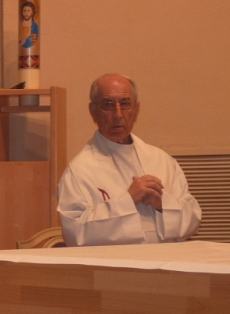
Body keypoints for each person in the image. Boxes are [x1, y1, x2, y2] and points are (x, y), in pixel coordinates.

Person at [57, 73, 201, 247]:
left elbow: (193, 218)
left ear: (136, 109)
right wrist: (128, 200)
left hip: (166, 265)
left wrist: (162, 203)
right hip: (111, 270)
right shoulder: (79, 171)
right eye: (108, 105)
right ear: (93, 111)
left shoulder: (162, 161)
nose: (118, 114)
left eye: (125, 104)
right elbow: (75, 234)